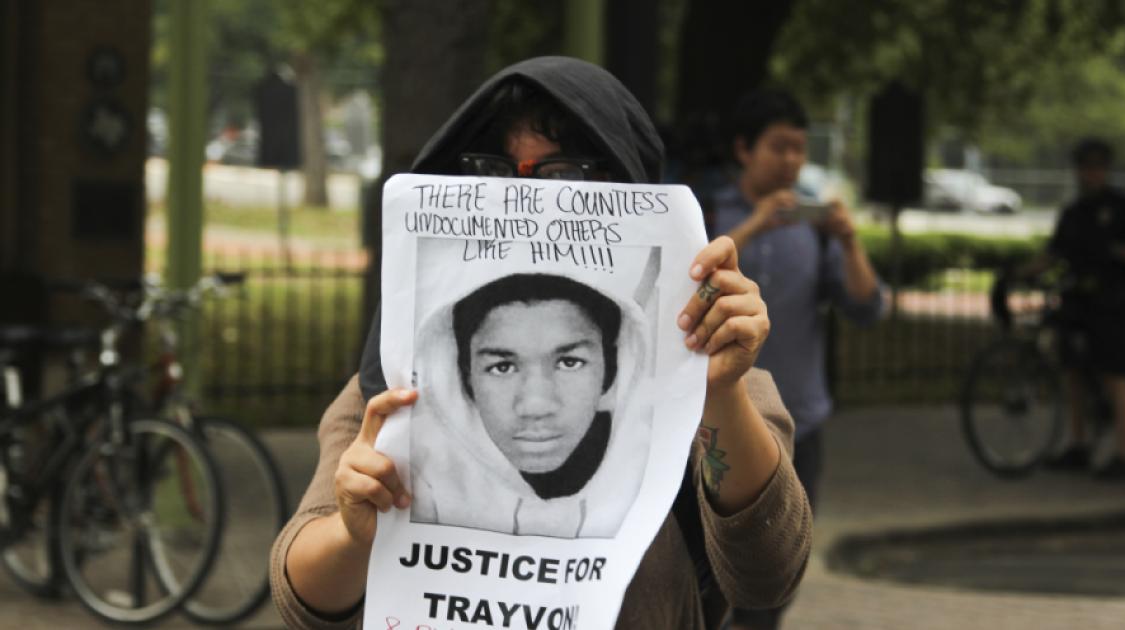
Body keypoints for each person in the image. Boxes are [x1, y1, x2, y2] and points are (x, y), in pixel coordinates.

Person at [269, 57, 812, 629]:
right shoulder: (390, 394)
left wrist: (717, 392)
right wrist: (352, 536)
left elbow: (767, 574)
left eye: (564, 175)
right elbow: (303, 601)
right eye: (492, 171)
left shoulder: (718, 385)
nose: (523, 201)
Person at [713, 89, 884, 629]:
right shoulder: (710, 210)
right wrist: (755, 225)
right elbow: (685, 286)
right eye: (778, 147)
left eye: (799, 149)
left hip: (800, 421)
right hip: (717, 424)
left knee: (774, 577)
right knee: (712, 574)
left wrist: (851, 242)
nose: (791, 161)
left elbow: (866, 307)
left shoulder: (815, 225)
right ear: (744, 149)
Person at [409, 272, 650, 538]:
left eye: (569, 363)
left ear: (611, 372)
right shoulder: (413, 479)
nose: (536, 406)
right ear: (465, 379)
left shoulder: (661, 465)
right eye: (502, 367)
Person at [1027, 138, 1125, 480]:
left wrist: (1116, 252)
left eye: (1097, 167)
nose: (1091, 174)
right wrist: (1019, 272)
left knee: (1115, 375)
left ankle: (1124, 455)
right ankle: (1079, 445)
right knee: (1074, 372)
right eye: (1085, 168)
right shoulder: (1074, 213)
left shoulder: (1124, 208)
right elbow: (1053, 253)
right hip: (1080, 302)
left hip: (1116, 302)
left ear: (1106, 170)